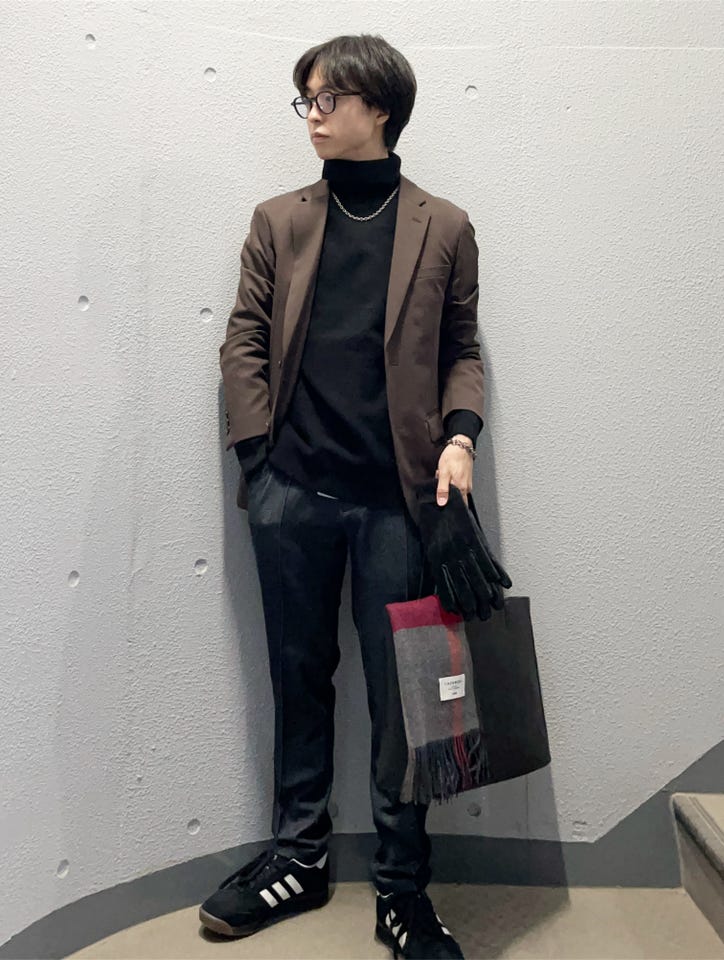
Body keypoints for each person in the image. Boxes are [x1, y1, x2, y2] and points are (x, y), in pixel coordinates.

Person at [200, 32, 484, 960]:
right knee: (298, 675)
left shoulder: (444, 225)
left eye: (328, 98)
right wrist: (260, 465)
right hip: (293, 495)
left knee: (409, 700)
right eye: (307, 100)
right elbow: (243, 340)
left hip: (401, 502)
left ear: (380, 108)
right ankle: (300, 856)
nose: (313, 115)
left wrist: (460, 439)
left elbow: (462, 349)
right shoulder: (279, 220)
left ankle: (402, 889)